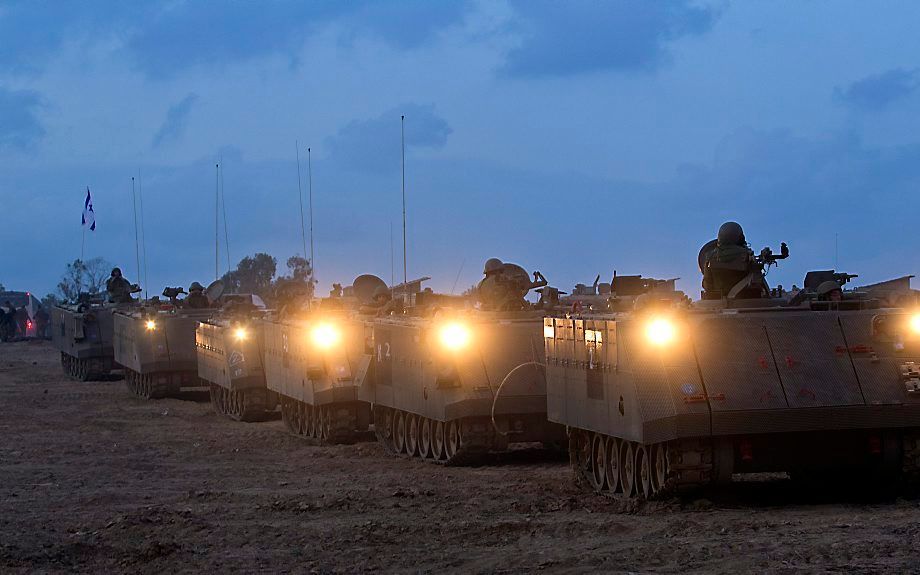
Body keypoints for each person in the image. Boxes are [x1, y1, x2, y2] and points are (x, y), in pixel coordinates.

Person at [702, 222, 764, 299]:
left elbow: (706, 285)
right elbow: (755, 282)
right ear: (740, 237)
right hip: (745, 301)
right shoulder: (746, 254)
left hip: (716, 303)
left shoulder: (709, 256)